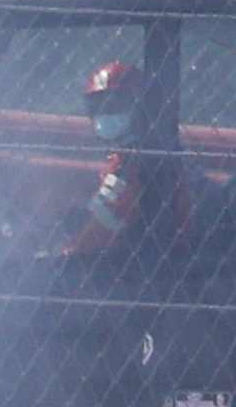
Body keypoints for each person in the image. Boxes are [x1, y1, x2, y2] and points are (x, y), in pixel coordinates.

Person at [58, 59, 189, 261]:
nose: (105, 113)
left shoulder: (135, 163)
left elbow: (99, 230)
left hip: (129, 271)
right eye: (98, 106)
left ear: (140, 106)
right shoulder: (140, 154)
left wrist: (60, 247)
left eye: (114, 104)